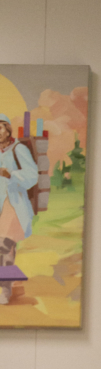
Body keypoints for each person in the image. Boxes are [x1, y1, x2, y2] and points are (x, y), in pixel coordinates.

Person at [0, 114, 37, 305]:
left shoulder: (18, 149)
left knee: (5, 247)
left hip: (12, 205)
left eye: (0, 128)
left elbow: (32, 176)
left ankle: (5, 291)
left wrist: (11, 174)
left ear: (7, 130)